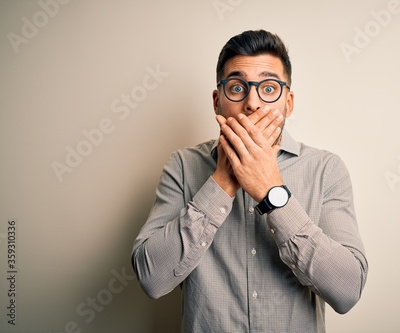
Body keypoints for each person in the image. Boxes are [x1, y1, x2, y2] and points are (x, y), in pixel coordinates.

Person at [131, 29, 368, 333]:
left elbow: (347, 291)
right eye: (237, 87)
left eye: (269, 88)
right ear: (217, 101)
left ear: (289, 103)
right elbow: (152, 279)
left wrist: (271, 192)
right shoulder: (183, 166)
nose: (252, 103)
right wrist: (222, 181)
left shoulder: (326, 169)